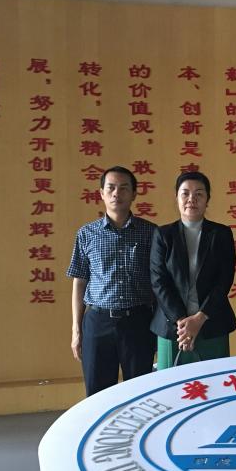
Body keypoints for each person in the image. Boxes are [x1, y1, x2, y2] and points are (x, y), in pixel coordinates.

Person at [67, 165, 157, 396]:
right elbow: (79, 282)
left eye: (124, 188)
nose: (117, 193)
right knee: (98, 395)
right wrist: (77, 330)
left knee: (140, 394)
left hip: (138, 322)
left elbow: (159, 281)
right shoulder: (86, 234)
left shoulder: (150, 233)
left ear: (134, 194)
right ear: (101, 193)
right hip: (97, 322)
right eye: (111, 188)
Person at [149, 172, 236, 369]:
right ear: (177, 198)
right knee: (171, 384)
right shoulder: (163, 234)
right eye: (185, 193)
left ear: (207, 199)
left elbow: (224, 280)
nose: (192, 199)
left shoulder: (221, 234)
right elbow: (158, 281)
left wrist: (199, 318)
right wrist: (183, 322)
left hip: (212, 324)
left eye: (199, 194)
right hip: (172, 327)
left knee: (214, 381)